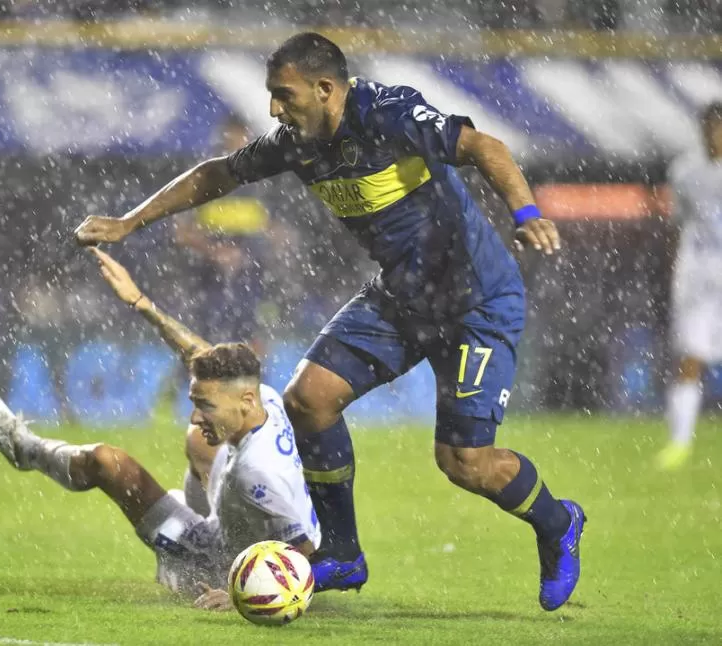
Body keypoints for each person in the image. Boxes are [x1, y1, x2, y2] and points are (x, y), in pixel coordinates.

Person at [73, 32, 586, 610]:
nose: (273, 109)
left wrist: (527, 214)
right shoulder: (297, 142)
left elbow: (486, 147)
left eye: (283, 95)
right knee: (308, 398)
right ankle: (343, 553)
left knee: (464, 464)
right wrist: (128, 222)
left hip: (478, 303)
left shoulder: (386, 114)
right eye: (271, 96)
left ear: (325, 89)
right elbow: (216, 174)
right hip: (401, 298)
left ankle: (557, 522)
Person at [0, 247, 320, 609]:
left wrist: (240, 594)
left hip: (221, 560)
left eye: (205, 406)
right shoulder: (265, 398)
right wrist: (141, 302)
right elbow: (196, 352)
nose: (196, 414)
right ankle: (197, 513)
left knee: (107, 462)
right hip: (242, 522)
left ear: (243, 400)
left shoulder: (256, 475)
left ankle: (25, 448)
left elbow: (305, 553)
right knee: (199, 440)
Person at [657, 102, 722, 470]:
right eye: (708, 127)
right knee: (690, 357)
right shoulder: (685, 171)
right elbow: (676, 225)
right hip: (699, 276)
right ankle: (679, 442)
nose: (713, 135)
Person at [175, 114, 272, 353]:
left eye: (243, 137)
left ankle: (254, 381)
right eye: (233, 137)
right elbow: (181, 232)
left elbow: (270, 227)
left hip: (251, 277)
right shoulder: (203, 176)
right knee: (207, 342)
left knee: (252, 341)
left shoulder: (259, 180)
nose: (238, 142)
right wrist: (214, 251)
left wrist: (275, 240)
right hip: (211, 280)